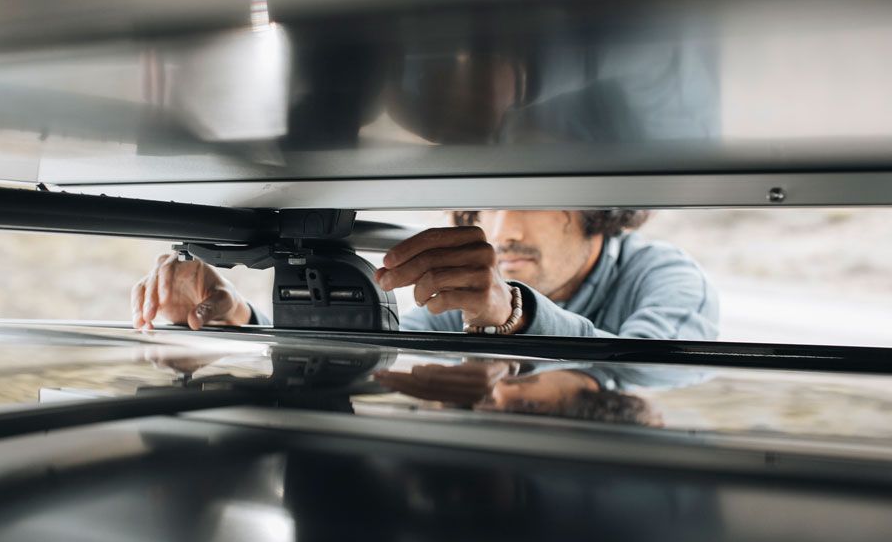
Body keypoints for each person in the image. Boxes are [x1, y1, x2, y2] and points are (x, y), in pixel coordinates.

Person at [132, 209, 718, 339]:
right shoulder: (460, 298)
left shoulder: (667, 278)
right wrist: (241, 319)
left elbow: (650, 387)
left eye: (538, 194)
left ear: (600, 211)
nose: (505, 227)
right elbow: (386, 352)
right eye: (489, 199)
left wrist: (514, 312)